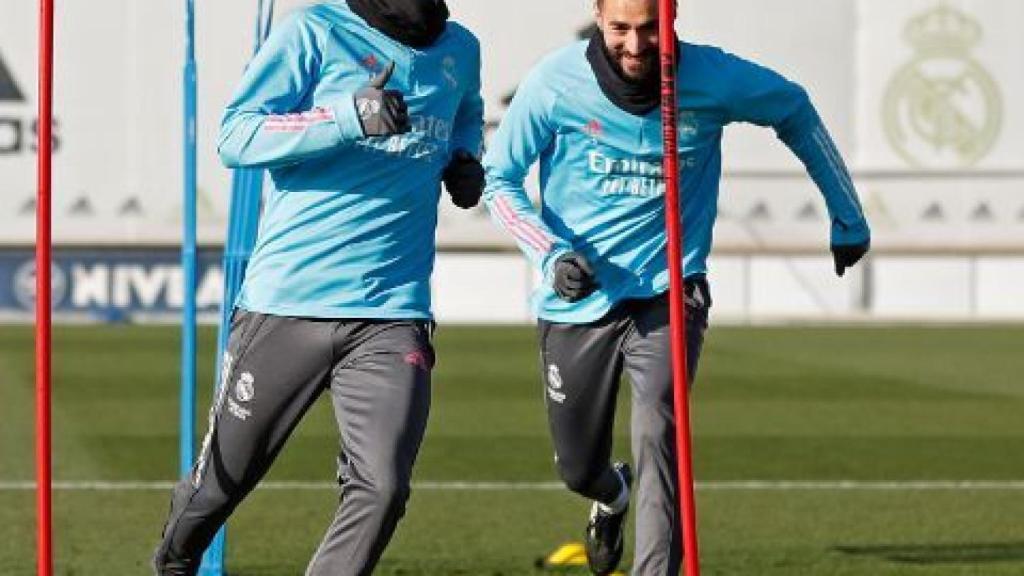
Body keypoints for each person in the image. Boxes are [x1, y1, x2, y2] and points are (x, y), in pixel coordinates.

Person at [483, 0, 870, 574]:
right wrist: (550, 253)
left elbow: (793, 107)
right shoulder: (554, 82)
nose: (637, 46)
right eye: (620, 30)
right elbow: (500, 180)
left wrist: (847, 215)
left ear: (673, 16)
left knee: (658, 430)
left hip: (670, 292)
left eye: (650, 30)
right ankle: (610, 494)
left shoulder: (713, 77)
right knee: (577, 467)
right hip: (578, 297)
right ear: (598, 15)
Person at [152, 1, 484, 574]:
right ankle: (175, 557)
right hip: (286, 305)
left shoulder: (461, 47)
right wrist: (346, 117)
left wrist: (465, 158)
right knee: (217, 488)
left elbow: (466, 116)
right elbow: (236, 136)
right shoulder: (315, 30)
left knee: (381, 488)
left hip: (392, 311)